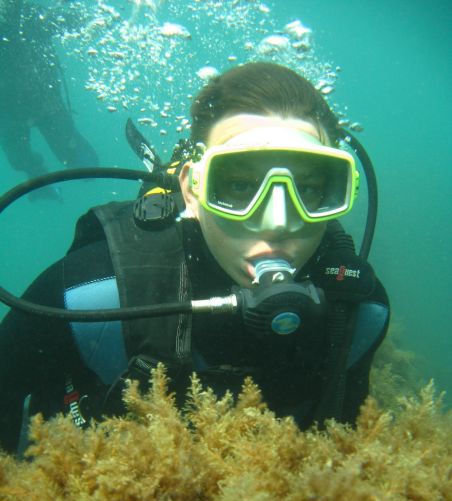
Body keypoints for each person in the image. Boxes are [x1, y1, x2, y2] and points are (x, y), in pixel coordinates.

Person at [0, 62, 389, 455]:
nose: (277, 222)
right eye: (239, 185)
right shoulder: (87, 295)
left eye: (309, 188)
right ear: (191, 190)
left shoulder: (359, 311)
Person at [0, 0, 98, 199]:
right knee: (19, 159)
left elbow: (65, 21)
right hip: (10, 110)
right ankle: (42, 184)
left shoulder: (29, 16)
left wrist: (93, 19)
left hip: (45, 103)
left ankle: (48, 181)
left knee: (83, 164)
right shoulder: (29, 16)